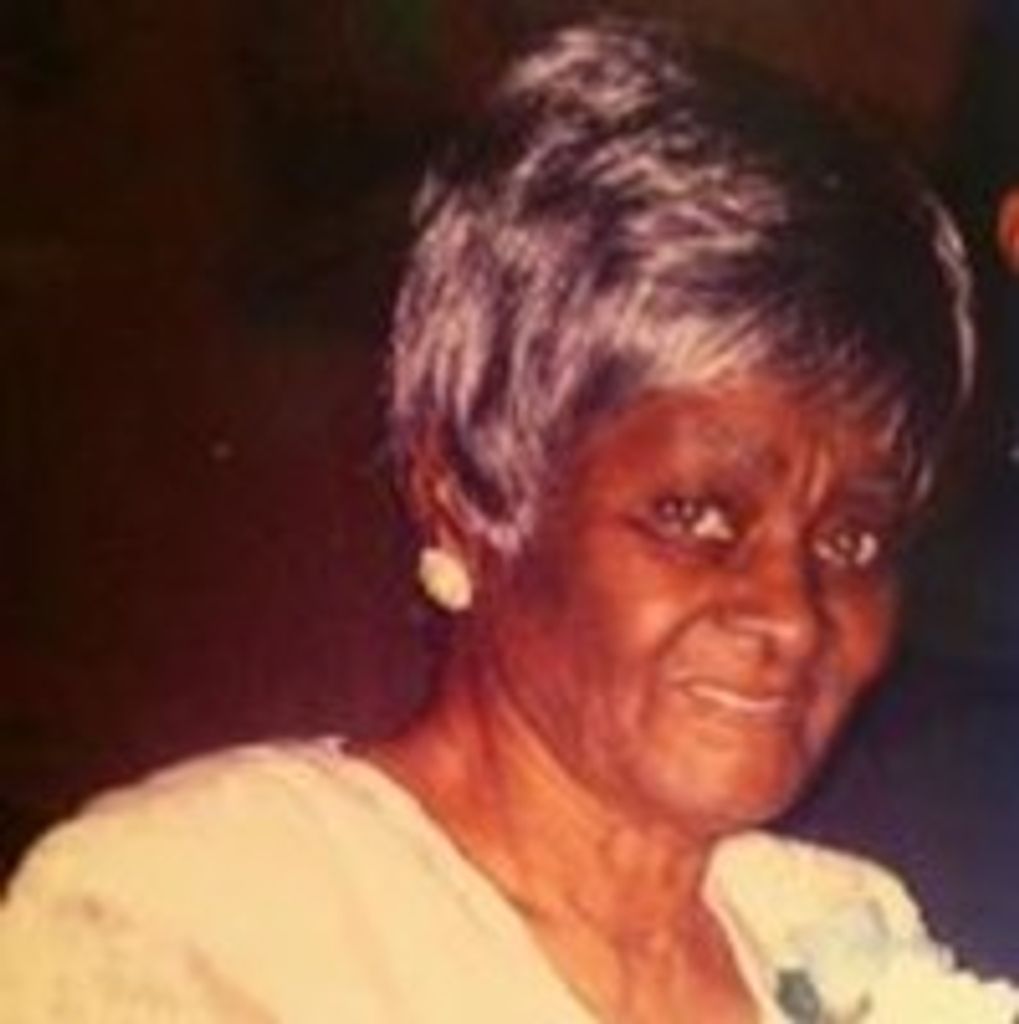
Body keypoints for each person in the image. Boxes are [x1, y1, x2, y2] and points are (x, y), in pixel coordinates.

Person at [2, 18, 1015, 1024]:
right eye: (694, 514)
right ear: (464, 497)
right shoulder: (197, 922)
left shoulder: (830, 925)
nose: (790, 615)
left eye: (848, 540)